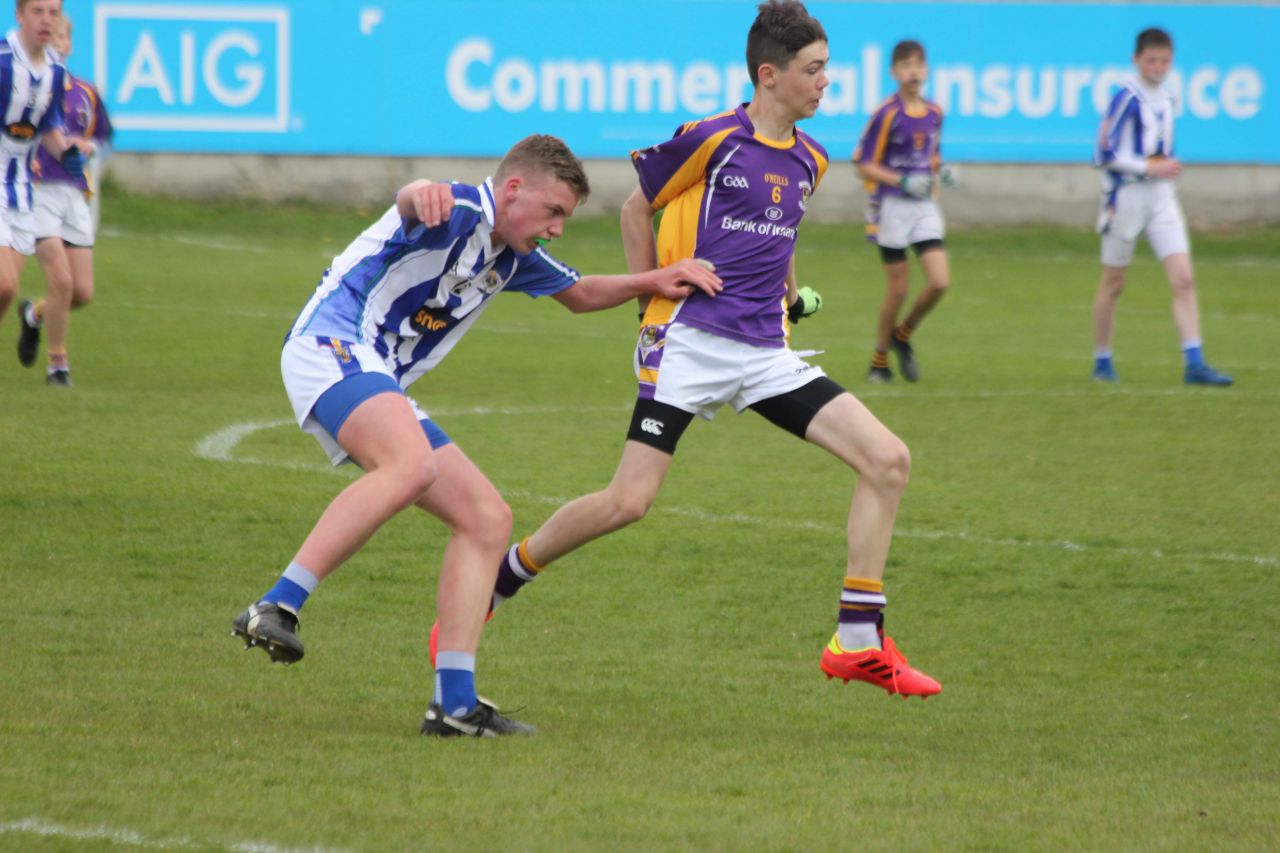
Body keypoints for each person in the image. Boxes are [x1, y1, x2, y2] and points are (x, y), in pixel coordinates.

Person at [431, 0, 941, 700]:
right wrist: (650, 309)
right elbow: (635, 208)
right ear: (770, 75)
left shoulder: (812, 157)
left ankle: (857, 637)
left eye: (828, 69)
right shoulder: (711, 139)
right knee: (628, 501)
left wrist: (791, 294)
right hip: (690, 342)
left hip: (765, 353)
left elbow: (778, 230)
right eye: (814, 70)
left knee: (888, 459)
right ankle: (501, 579)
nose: (827, 83)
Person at [229, 134, 722, 738]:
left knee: (487, 518)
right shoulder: (456, 209)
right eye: (555, 212)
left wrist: (656, 278)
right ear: (513, 190)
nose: (558, 229)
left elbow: (581, 294)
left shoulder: (513, 253)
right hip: (331, 345)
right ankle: (276, 605)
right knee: (411, 466)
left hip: (376, 374)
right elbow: (413, 201)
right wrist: (419, 191)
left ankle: (454, 705)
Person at [1092, 27, 1232, 386]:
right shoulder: (1125, 97)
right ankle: (1102, 360)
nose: (1158, 67)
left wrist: (1164, 166)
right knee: (1114, 282)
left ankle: (1194, 363)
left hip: (1161, 196)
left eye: (1165, 61)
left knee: (1183, 278)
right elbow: (1101, 153)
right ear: (1136, 60)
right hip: (1126, 197)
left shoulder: (1168, 98)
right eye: (1151, 60)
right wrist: (1146, 167)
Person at [16, 12, 111, 386]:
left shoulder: (85, 93)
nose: (55, 42)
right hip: (39, 192)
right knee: (62, 283)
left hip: (75, 194)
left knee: (82, 292)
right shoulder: (29, 87)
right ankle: (58, 367)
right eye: (49, 36)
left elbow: (102, 134)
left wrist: (87, 145)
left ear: (69, 45)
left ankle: (33, 316)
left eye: (61, 37)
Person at [852, 39, 950, 384]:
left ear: (927, 70)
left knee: (940, 281)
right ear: (894, 72)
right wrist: (902, 180)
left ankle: (903, 334)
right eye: (905, 66)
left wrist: (941, 172)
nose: (913, 72)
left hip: (923, 206)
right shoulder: (888, 113)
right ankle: (879, 361)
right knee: (898, 289)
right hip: (891, 206)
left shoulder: (936, 112)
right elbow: (862, 163)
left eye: (918, 65)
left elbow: (931, 157)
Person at [0, 0, 86, 356]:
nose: (46, 20)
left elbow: (47, 126)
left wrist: (65, 153)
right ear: (19, 16)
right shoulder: (3, 61)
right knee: (4, 284)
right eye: (38, 11)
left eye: (53, 12)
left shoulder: (54, 70)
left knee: (7, 291)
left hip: (20, 191)